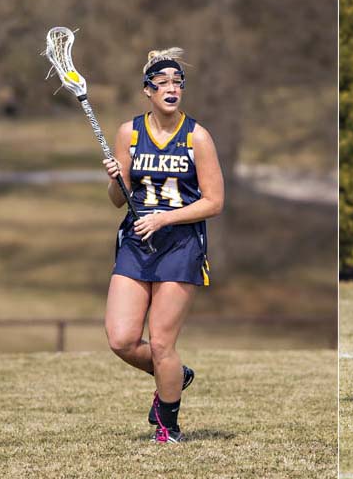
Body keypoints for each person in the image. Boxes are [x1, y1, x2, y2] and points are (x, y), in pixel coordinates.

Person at [103, 48, 224, 442]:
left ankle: (168, 425)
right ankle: (175, 376)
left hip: (180, 245)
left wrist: (164, 218)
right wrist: (114, 178)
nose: (172, 89)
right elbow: (118, 199)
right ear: (147, 90)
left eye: (177, 83)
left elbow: (214, 202)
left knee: (161, 342)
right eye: (164, 83)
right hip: (136, 243)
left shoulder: (197, 137)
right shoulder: (129, 132)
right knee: (121, 338)